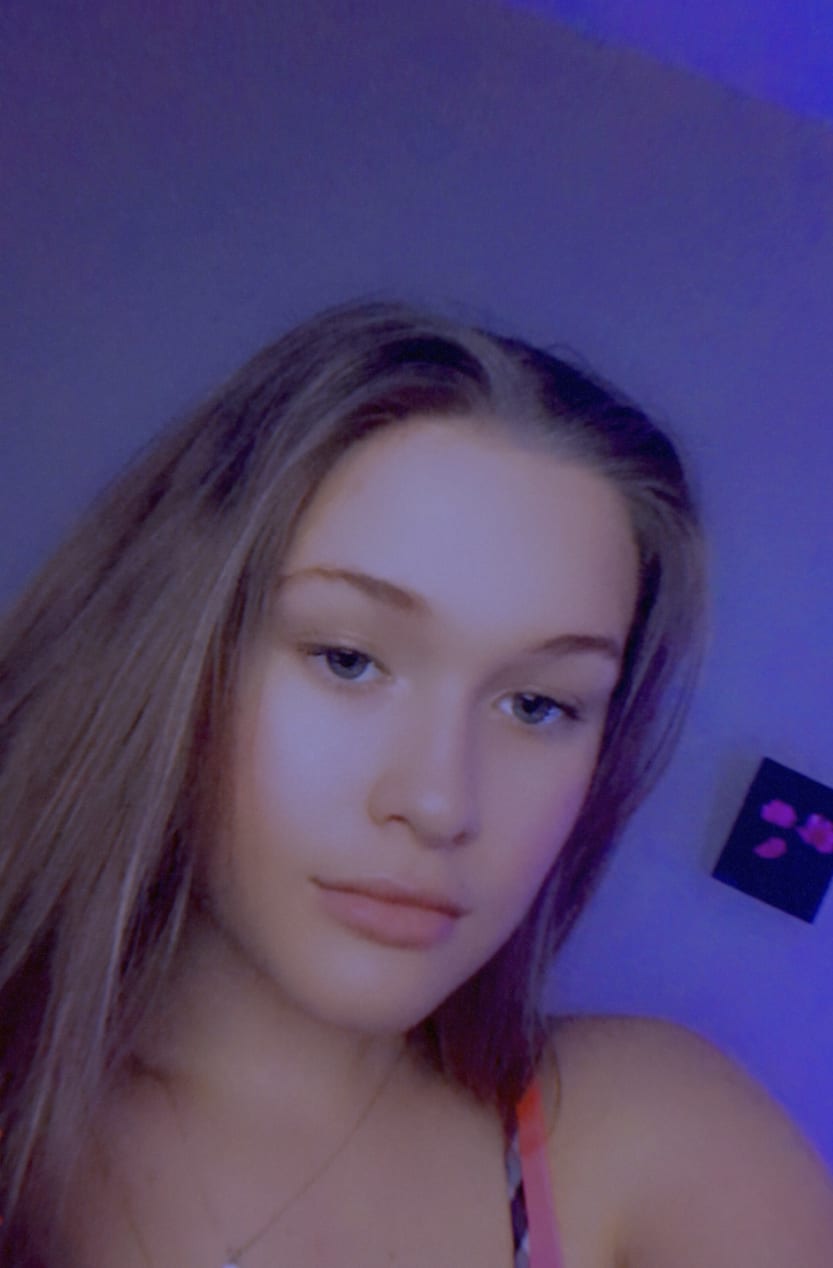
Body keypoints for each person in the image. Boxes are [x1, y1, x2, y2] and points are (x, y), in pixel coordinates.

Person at [0, 299, 831, 1267]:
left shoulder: (652, 1136)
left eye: (536, 705)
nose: (440, 803)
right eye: (347, 659)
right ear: (170, 649)